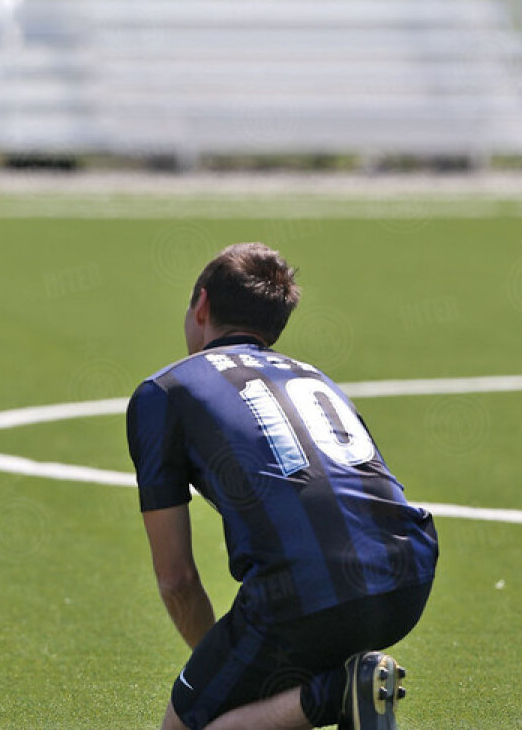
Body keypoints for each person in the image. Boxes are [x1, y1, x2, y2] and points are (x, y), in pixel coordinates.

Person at [126, 242, 439, 730]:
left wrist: (225, 673)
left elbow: (176, 577)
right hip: (408, 578)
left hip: (307, 593)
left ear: (201, 306)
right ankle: (342, 691)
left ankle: (336, 695)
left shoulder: (166, 391)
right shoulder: (315, 375)